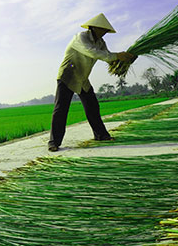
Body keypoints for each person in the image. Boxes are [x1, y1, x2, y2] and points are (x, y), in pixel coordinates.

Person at [48, 13, 135, 151]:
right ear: (94, 28)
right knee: (61, 109)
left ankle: (101, 135)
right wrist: (118, 55)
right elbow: (93, 53)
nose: (104, 33)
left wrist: (126, 59)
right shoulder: (81, 38)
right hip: (68, 75)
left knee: (92, 106)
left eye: (106, 31)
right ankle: (54, 142)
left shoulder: (101, 43)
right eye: (102, 29)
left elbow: (108, 57)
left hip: (83, 78)